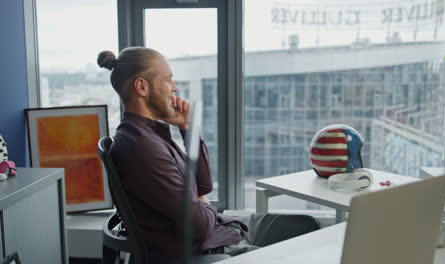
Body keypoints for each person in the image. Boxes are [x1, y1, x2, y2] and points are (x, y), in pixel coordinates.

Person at [97, 47, 320, 260]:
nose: (173, 87)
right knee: (304, 252)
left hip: (221, 229)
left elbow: (203, 186)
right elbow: (200, 226)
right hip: (207, 249)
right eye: (167, 79)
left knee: (308, 226)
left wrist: (188, 128)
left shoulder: (151, 134)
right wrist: (204, 205)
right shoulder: (142, 147)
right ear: (142, 87)